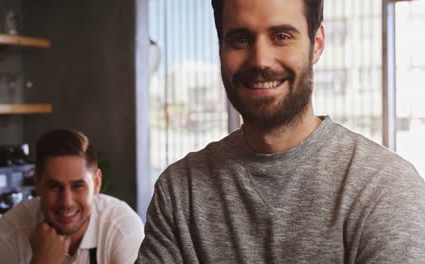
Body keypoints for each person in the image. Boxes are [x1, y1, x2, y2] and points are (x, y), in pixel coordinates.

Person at [136, 0, 425, 263]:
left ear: (317, 44)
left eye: (281, 36)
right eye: (240, 39)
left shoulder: (385, 188)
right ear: (221, 49)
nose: (260, 60)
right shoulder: (179, 191)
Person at [0, 129, 144, 264]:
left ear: (96, 183)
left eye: (78, 186)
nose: (66, 202)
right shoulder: (8, 232)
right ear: (37, 183)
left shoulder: (121, 227)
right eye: (55, 187)